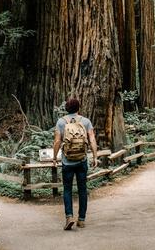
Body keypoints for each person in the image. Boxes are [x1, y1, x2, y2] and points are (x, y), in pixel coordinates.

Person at [52, 98, 98, 230]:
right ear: (79, 108)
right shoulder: (86, 121)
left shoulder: (61, 122)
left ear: (66, 108)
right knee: (82, 190)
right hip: (82, 160)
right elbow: (92, 139)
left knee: (67, 189)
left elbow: (57, 142)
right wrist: (95, 156)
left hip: (67, 162)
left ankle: (69, 217)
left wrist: (55, 158)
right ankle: (81, 219)